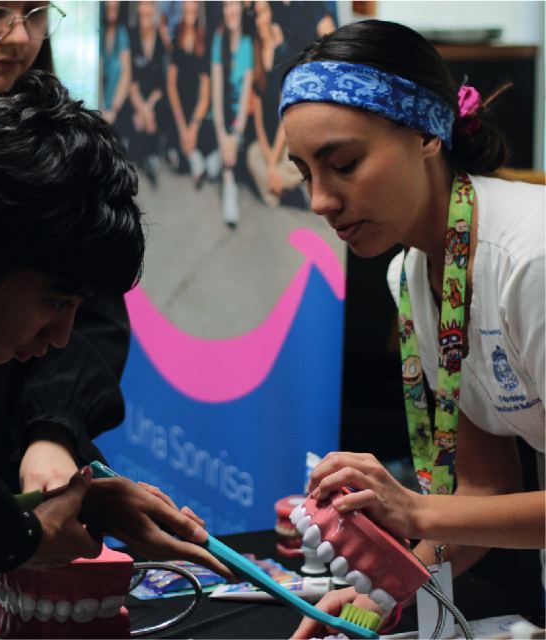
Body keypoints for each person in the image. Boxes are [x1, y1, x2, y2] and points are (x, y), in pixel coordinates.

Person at [278, 20, 545, 638]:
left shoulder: (528, 260)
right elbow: (484, 489)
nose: (319, 200)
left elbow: (447, 508)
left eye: (342, 163)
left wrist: (413, 507)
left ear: (428, 133)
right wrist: (390, 589)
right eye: (304, 173)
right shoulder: (416, 273)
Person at [0, 0, 133, 497]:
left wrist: (54, 430)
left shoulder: (65, 150)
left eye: (37, 12)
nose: (21, 37)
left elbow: (93, 315)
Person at [246, 0, 302, 208]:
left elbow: (285, 114)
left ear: (271, 14)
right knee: (252, 155)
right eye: (256, 15)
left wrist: (272, 161)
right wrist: (267, 152)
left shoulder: (284, 51)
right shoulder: (256, 52)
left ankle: (274, 188)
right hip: (266, 139)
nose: (260, 20)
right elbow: (258, 115)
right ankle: (281, 191)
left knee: (301, 162)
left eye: (263, 13)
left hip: (284, 135)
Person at [211, 0, 253, 227]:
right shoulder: (219, 41)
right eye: (226, 5)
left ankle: (225, 168)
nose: (231, 10)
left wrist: (234, 138)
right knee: (225, 159)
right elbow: (216, 95)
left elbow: (245, 97)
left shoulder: (248, 44)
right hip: (221, 120)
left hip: (241, 123)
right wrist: (222, 136)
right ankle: (229, 184)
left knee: (231, 154)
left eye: (234, 4)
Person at [166, 0, 215, 187]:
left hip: (198, 111)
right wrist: (181, 126)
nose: (189, 8)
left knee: (201, 141)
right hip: (178, 109)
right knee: (178, 162)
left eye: (193, 4)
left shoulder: (204, 40)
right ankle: (191, 157)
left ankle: (201, 158)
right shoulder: (176, 39)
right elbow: (171, 86)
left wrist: (192, 127)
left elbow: (205, 94)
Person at [129, 0, 169, 188]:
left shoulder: (160, 38)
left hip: (155, 99)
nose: (146, 9)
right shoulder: (131, 36)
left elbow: (162, 85)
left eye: (150, 5)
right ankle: (142, 157)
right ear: (139, 8)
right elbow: (131, 83)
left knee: (159, 112)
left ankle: (151, 156)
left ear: (155, 10)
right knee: (136, 122)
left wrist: (149, 109)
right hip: (135, 99)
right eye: (143, 4)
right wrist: (143, 111)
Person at [100, 0, 132, 146]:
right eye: (109, 5)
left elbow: (126, 75)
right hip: (96, 104)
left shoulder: (122, 33)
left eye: (115, 6)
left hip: (116, 107)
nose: (112, 8)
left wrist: (113, 109)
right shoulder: (97, 31)